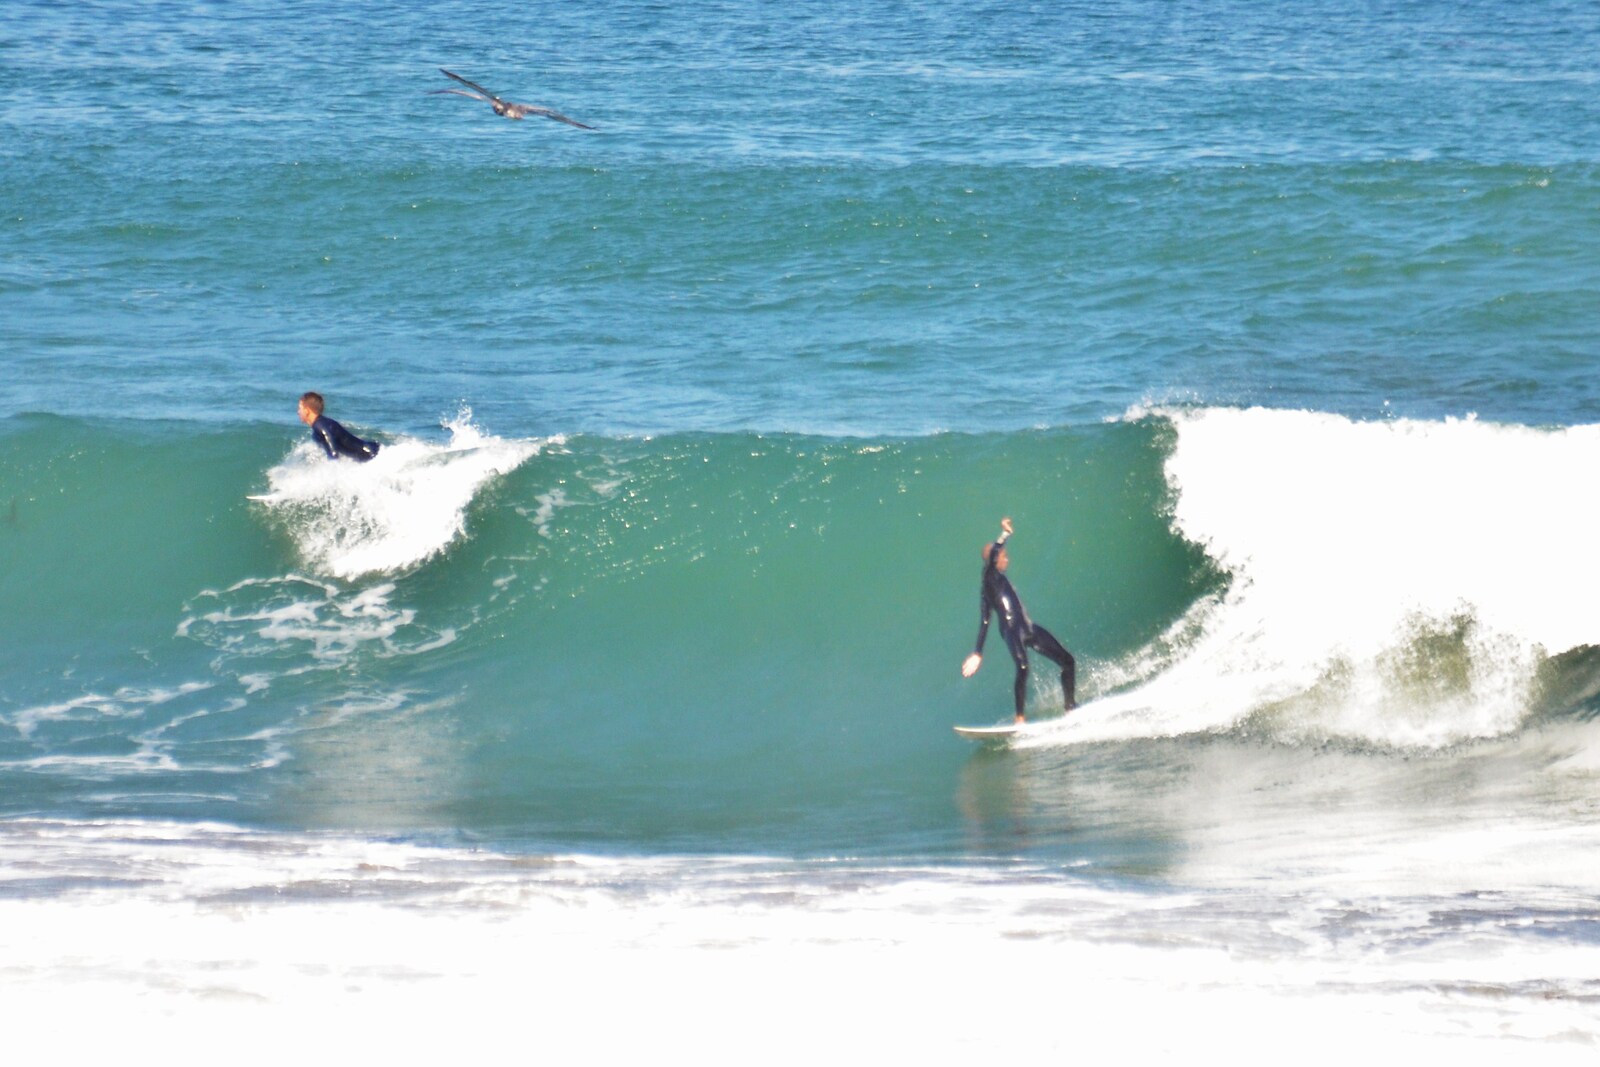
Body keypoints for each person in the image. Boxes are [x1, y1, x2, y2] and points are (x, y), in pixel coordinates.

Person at [961, 517, 1076, 724]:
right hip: (1011, 632)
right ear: (994, 561)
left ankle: (1070, 708)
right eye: (1004, 556)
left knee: (1068, 661)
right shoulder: (989, 577)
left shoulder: (997, 582)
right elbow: (985, 621)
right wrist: (977, 653)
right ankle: (1020, 719)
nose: (1007, 559)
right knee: (1023, 667)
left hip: (1028, 629)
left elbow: (985, 621)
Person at [298, 391, 380, 462]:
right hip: (368, 456)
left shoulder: (321, 425)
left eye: (300, 408)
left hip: (371, 453)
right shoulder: (318, 428)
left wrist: (333, 467)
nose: (298, 412)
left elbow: (333, 452)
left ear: (307, 410)